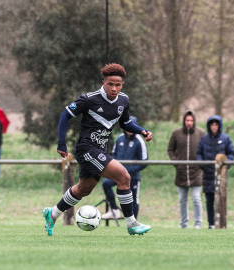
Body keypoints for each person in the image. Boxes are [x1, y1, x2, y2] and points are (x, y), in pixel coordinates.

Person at [43, 63, 153, 236]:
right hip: (87, 149)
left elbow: (125, 123)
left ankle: (53, 213)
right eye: (110, 84)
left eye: (118, 85)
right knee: (124, 177)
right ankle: (131, 223)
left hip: (100, 150)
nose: (114, 88)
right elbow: (65, 115)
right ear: (103, 82)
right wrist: (61, 144)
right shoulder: (89, 99)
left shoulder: (123, 100)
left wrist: (141, 130)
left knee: (83, 190)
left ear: (122, 85)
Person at [101, 116, 148, 220]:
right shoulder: (120, 138)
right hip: (118, 174)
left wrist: (129, 170)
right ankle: (114, 210)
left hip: (133, 176)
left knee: (133, 200)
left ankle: (133, 222)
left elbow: (144, 161)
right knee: (106, 183)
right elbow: (113, 155)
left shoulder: (139, 140)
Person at [167, 110, 206, 229]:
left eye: (191, 120)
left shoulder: (201, 133)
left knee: (196, 198)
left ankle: (198, 223)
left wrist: (202, 164)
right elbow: (170, 150)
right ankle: (184, 224)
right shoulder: (176, 133)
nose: (189, 122)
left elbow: (205, 150)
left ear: (194, 121)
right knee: (182, 200)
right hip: (181, 172)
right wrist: (176, 162)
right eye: (187, 120)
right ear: (184, 121)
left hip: (196, 172)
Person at [196, 115, 234, 229]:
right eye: (212, 125)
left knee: (221, 199)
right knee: (209, 200)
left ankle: (221, 222)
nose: (214, 127)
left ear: (219, 125)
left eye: (216, 124)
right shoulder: (204, 139)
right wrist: (202, 164)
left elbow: (231, 153)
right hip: (208, 174)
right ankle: (211, 224)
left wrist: (227, 165)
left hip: (220, 175)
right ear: (209, 126)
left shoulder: (225, 139)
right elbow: (199, 153)